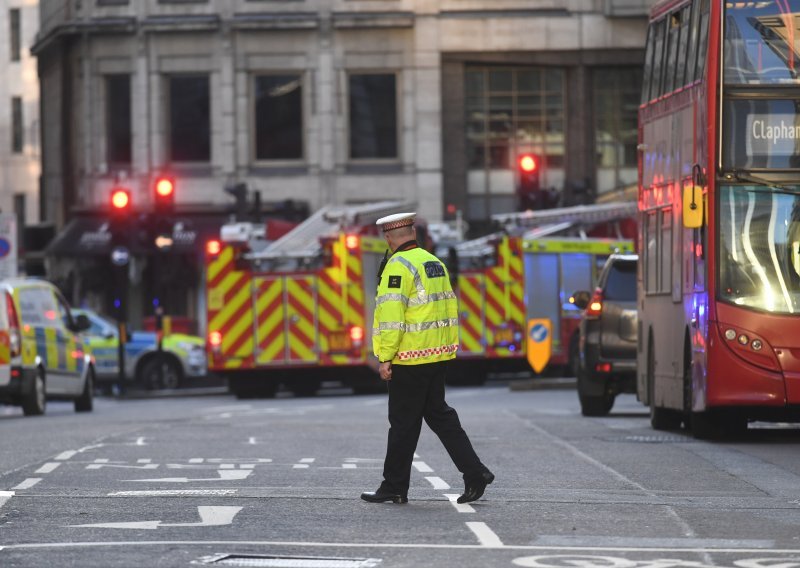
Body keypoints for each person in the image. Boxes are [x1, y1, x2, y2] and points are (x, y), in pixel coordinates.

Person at [361, 212, 494, 505]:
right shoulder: (434, 262)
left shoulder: (398, 266)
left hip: (409, 357)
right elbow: (448, 307)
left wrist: (386, 357)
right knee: (439, 415)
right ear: (412, 233)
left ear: (388, 237)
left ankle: (394, 485)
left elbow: (393, 317)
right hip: (436, 354)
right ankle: (475, 472)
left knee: (403, 423)